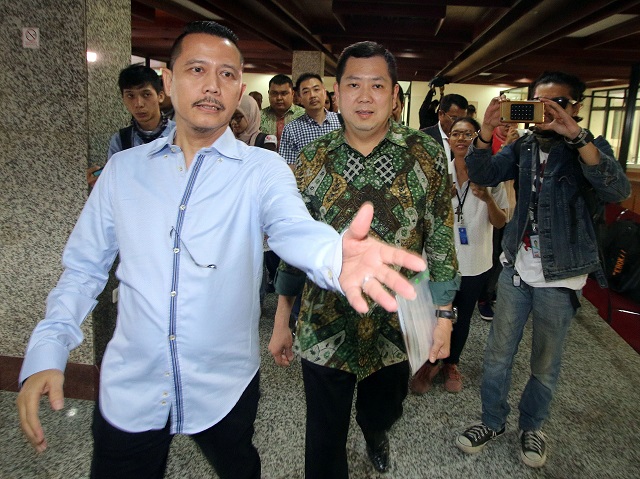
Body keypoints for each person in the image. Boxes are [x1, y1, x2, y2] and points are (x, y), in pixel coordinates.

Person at [16, 21, 428, 479]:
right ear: (169, 83)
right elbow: (82, 271)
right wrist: (47, 350)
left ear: (239, 92)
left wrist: (335, 256)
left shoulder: (262, 170)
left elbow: (292, 225)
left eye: (228, 74)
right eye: (197, 69)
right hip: (130, 387)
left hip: (223, 386)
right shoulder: (122, 172)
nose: (213, 86)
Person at [268, 41, 459, 477]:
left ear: (395, 97)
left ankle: (375, 433)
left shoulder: (425, 155)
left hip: (396, 321)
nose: (365, 96)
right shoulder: (312, 160)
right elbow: (292, 247)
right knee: (322, 434)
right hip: (324, 323)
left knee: (383, 410)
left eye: (378, 85)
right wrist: (283, 318)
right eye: (354, 84)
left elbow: (443, 240)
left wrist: (444, 314)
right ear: (337, 92)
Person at [455, 71, 630, 468]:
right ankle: (492, 421)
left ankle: (532, 426)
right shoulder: (524, 146)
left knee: (545, 362)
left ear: (577, 108)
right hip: (516, 267)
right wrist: (485, 132)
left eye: (558, 105)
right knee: (498, 355)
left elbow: (617, 191)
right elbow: (482, 174)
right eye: (540, 104)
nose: (548, 114)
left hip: (562, 274)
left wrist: (577, 136)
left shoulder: (590, 147)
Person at [411, 117, 508, 395]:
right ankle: (429, 363)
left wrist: (487, 198)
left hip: (475, 262)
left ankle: (452, 363)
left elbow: (501, 222)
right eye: (456, 134)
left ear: (477, 137)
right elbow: (421, 218)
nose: (462, 139)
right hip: (441, 263)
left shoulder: (491, 177)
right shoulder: (440, 175)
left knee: (462, 317)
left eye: (468, 134)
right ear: (449, 140)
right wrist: (444, 199)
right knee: (434, 316)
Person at [87, 64, 175, 187]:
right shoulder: (121, 140)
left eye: (146, 94)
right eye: (130, 96)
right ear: (123, 99)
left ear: (160, 96)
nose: (138, 104)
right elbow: (117, 183)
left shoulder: (179, 134)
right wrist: (102, 184)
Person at [476, 123, 521, 320]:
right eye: (503, 124)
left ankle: (491, 292)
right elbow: (487, 171)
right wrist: (506, 148)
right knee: (492, 253)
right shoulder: (486, 142)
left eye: (510, 124)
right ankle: (482, 296)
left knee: (504, 256)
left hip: (513, 206)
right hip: (491, 206)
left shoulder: (523, 143)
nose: (507, 127)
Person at [279, 72, 341, 170]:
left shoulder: (342, 122)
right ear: (299, 98)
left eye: (316, 89)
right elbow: (288, 167)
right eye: (306, 92)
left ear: (324, 93)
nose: (312, 95)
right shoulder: (291, 129)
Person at [420, 93, 469, 163]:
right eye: (454, 118)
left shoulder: (468, 140)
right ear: (441, 114)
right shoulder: (424, 137)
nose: (459, 124)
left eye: (463, 119)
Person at [260, 74, 304, 145]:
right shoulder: (259, 117)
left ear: (292, 93)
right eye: (274, 93)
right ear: (269, 94)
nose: (279, 98)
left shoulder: (303, 115)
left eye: (284, 93)